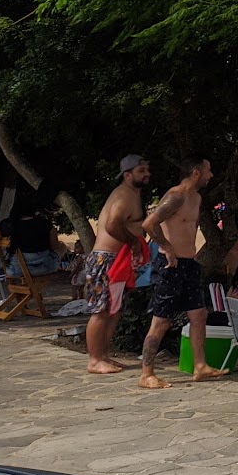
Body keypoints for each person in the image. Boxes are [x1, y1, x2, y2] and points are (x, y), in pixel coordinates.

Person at [137, 157, 227, 389]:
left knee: (199, 315)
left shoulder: (196, 198)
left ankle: (200, 366)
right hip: (171, 265)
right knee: (162, 320)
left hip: (188, 265)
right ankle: (146, 374)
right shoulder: (175, 195)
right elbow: (149, 224)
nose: (211, 175)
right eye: (208, 170)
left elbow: (190, 229)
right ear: (196, 172)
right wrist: (166, 247)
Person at [81, 154, 152, 375]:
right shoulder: (123, 196)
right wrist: (133, 242)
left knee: (114, 310)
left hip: (116, 260)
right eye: (141, 171)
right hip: (105, 259)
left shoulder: (132, 195)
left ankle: (102, 355)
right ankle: (94, 360)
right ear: (127, 174)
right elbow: (112, 225)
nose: (147, 174)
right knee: (101, 310)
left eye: (147, 170)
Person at [0, 200, 62, 277]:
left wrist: (4, 241)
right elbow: (54, 246)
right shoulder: (45, 223)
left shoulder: (8, 224)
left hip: (16, 270)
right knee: (62, 246)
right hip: (44, 268)